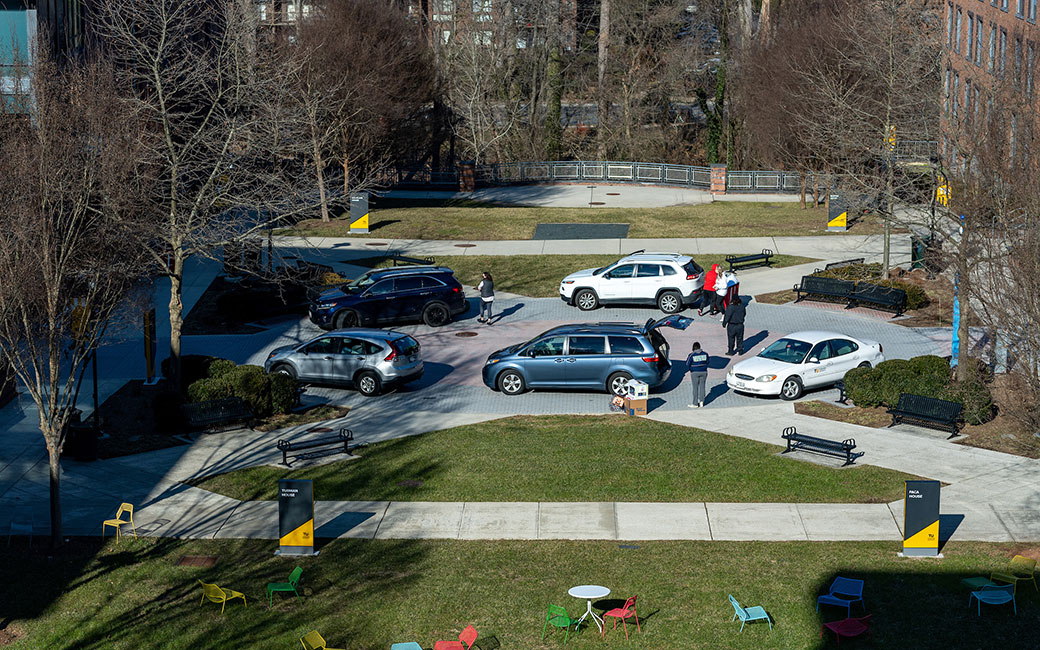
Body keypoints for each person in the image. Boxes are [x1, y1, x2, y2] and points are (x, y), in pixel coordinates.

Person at [686, 342, 709, 408]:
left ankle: (695, 403)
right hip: (704, 372)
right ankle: (702, 401)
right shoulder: (705, 354)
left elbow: (687, 363)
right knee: (702, 386)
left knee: (695, 388)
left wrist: (691, 368)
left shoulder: (692, 355)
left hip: (694, 372)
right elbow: (708, 362)